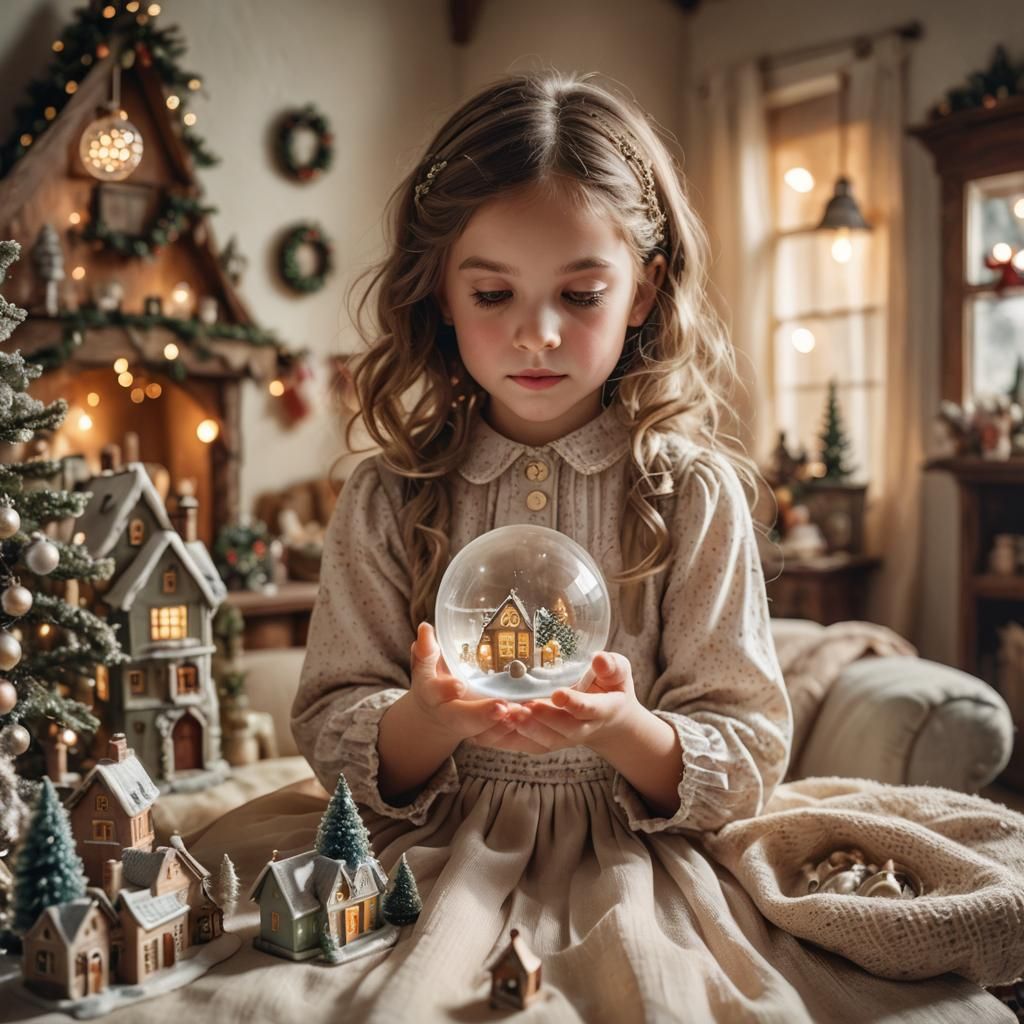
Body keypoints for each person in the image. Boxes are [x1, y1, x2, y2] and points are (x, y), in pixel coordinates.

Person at [289, 71, 1014, 1023]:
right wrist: (429, 717)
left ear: (644, 290)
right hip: (428, 853)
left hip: (635, 858)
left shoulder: (689, 491)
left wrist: (622, 728)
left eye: (580, 293)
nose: (536, 331)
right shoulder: (390, 495)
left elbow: (749, 744)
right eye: (494, 291)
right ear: (438, 293)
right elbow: (333, 717)